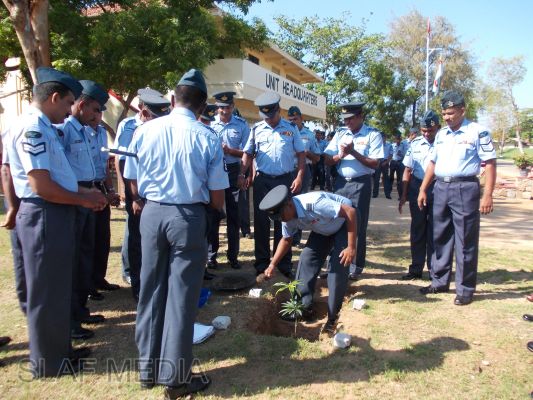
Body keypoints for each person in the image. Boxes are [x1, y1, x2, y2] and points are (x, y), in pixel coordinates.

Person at [124, 69, 227, 398]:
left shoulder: (145, 130)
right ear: (202, 107)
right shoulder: (207, 136)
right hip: (188, 216)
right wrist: (212, 214)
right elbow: (217, 195)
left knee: (150, 291)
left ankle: (147, 370)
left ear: (172, 100)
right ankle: (176, 378)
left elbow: (132, 178)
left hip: (152, 212)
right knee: (181, 298)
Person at [5, 67, 107, 378]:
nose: (69, 110)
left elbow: (58, 178)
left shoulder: (44, 126)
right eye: (67, 103)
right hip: (45, 214)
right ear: (53, 98)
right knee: (47, 292)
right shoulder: (33, 129)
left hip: (53, 212)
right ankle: (49, 363)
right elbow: (42, 186)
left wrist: (86, 192)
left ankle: (60, 350)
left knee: (58, 287)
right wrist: (82, 199)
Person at [417, 90, 497, 305]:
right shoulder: (441, 134)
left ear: (462, 110)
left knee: (465, 240)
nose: (446, 117)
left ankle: (464, 289)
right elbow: (432, 163)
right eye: (444, 114)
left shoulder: (478, 132)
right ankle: (439, 281)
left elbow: (490, 163)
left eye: (450, 113)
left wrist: (488, 195)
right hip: (441, 187)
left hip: (465, 188)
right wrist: (423, 188)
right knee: (440, 236)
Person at [261, 185, 357, 335]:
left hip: (343, 221)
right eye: (277, 218)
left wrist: (351, 247)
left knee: (337, 267)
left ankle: (333, 317)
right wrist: (272, 264)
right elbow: (286, 239)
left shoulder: (314, 203)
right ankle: (302, 308)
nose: (281, 220)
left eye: (280, 215)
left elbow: (350, 212)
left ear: (289, 204)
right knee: (307, 258)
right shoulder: (287, 217)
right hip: (323, 227)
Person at [56, 79, 110, 341]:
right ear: (82, 105)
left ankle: (80, 310)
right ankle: (70, 319)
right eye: (95, 109)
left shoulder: (88, 132)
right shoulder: (64, 130)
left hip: (89, 194)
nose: (97, 115)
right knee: (74, 260)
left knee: (86, 254)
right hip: (74, 198)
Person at [238, 92, 305, 279]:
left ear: (279, 110)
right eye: (265, 116)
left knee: (284, 221)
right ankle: (261, 263)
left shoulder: (291, 129)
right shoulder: (256, 129)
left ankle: (283, 263)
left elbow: (301, 154)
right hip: (263, 181)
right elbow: (248, 153)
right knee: (261, 223)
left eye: (271, 115)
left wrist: (299, 177)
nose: (268, 119)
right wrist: (242, 173)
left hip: (284, 180)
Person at [115, 88, 171, 301]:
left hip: (160, 193)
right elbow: (124, 162)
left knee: (159, 241)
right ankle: (138, 285)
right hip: (138, 192)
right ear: (144, 112)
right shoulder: (130, 127)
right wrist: (134, 197)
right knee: (137, 239)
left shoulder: (164, 128)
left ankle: (159, 282)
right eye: (155, 116)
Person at [324, 102, 383, 280]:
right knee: (335, 222)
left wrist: (353, 152)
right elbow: (327, 159)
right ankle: (334, 265)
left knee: (357, 225)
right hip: (341, 183)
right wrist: (340, 156)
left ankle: (355, 267)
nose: (347, 122)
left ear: (360, 116)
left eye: (350, 119)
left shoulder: (372, 134)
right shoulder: (340, 133)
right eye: (345, 119)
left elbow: (375, 163)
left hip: (360, 184)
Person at [207, 91, 250, 270]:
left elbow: (248, 152)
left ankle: (233, 256)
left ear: (233, 106)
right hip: (214, 170)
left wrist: (231, 153)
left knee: (234, 216)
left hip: (233, 171)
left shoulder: (241, 125)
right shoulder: (209, 122)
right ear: (217, 107)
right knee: (213, 214)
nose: (225, 111)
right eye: (221, 107)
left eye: (228, 107)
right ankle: (211, 256)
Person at [398, 110, 440, 280]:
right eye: (423, 131)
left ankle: (435, 270)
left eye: (430, 130)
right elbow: (407, 170)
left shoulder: (444, 142)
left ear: (438, 127)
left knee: (435, 230)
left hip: (438, 187)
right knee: (417, 229)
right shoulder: (414, 144)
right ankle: (416, 269)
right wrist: (403, 195)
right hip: (416, 187)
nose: (427, 134)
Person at [86, 107, 121, 292]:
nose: (97, 115)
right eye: (94, 111)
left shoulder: (101, 132)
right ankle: (88, 284)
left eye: (100, 112)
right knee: (88, 239)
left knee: (102, 237)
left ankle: (99, 278)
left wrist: (111, 190)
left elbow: (104, 165)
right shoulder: (80, 131)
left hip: (100, 187)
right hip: (86, 188)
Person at [287, 106, 320, 247]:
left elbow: (317, 158)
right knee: (286, 203)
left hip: (303, 171)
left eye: (295, 119)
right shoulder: (285, 132)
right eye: (290, 119)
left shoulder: (310, 135)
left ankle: (296, 238)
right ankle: (286, 235)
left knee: (299, 204)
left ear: (301, 119)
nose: (293, 122)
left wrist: (306, 153)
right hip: (287, 171)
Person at [372, 132, 392, 199]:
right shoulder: (377, 144)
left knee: (386, 179)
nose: (382, 138)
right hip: (378, 162)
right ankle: (375, 194)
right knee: (376, 179)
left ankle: (387, 194)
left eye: (383, 137)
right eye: (381, 137)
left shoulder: (389, 145)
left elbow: (391, 154)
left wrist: (386, 162)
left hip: (385, 162)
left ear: (385, 138)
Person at [389, 131, 408, 199]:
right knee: (391, 178)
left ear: (400, 139)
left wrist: (401, 154)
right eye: (396, 139)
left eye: (398, 139)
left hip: (400, 162)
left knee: (399, 180)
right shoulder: (392, 145)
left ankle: (400, 195)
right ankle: (388, 193)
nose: (397, 141)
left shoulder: (403, 145)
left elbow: (405, 155)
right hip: (393, 162)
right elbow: (390, 154)